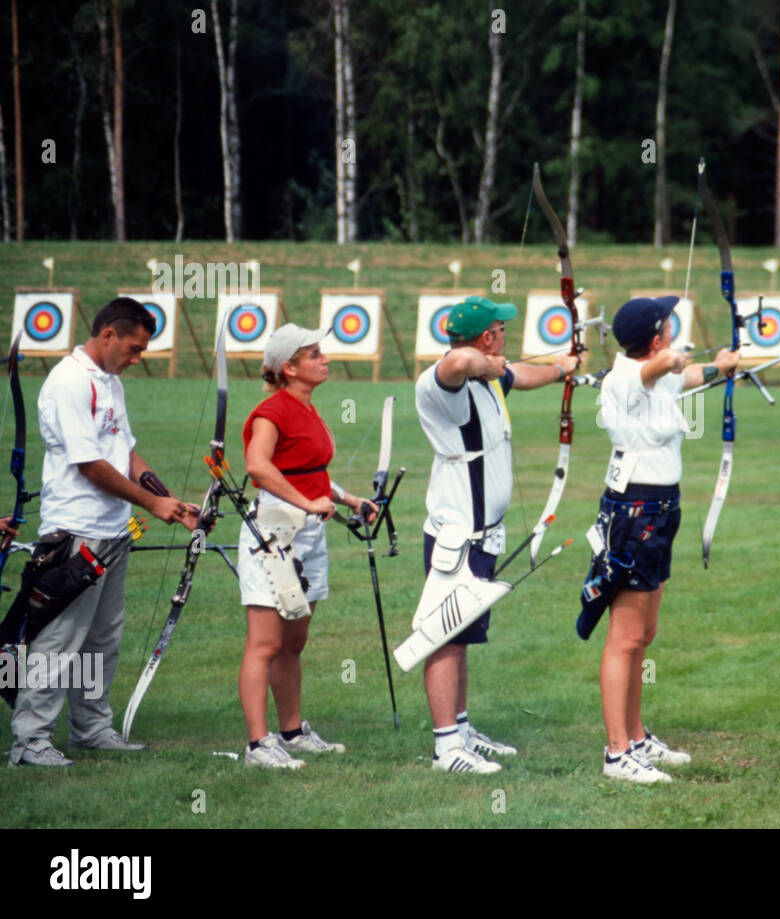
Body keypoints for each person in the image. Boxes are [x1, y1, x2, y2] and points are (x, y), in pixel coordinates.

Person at [8, 297, 197, 767]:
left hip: (112, 531)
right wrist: (151, 503)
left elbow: (124, 452)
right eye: (133, 349)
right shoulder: (70, 381)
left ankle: (90, 727)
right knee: (60, 638)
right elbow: (90, 463)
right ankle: (30, 741)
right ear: (108, 334)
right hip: (77, 533)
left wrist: (169, 500)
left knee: (101, 638)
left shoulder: (109, 381)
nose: (137, 360)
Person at [414, 295, 578, 775]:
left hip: (482, 536)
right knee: (445, 638)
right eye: (500, 331)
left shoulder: (487, 378)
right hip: (456, 536)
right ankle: (446, 748)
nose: (506, 336)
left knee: (462, 638)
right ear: (487, 338)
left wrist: (562, 368)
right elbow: (460, 360)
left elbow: (522, 376)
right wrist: (484, 362)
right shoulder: (443, 383)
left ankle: (461, 729)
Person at [582, 296, 739, 784]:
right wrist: (673, 357)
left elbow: (684, 377)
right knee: (625, 638)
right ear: (654, 340)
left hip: (659, 509)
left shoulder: (653, 372)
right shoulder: (625, 377)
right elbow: (662, 369)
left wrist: (720, 366)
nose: (673, 330)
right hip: (635, 513)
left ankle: (635, 735)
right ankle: (616, 754)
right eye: (667, 326)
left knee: (643, 635)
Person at [237, 324, 376, 769]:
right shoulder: (271, 411)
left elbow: (307, 470)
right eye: (313, 354)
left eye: (321, 352)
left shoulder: (308, 408)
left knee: (294, 641)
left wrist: (347, 498)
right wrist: (306, 502)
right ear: (288, 368)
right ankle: (259, 745)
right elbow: (258, 467)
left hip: (307, 530)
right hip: (273, 532)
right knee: (265, 643)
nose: (324, 358)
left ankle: (292, 732)